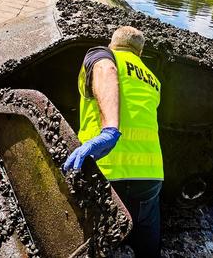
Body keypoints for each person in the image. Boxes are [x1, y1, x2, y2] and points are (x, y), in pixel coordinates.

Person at [63, 26, 163, 257]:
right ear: (140, 53)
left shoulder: (103, 56)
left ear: (112, 44)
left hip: (107, 169)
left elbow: (105, 70)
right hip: (150, 175)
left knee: (93, 239)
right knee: (147, 243)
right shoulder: (153, 80)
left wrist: (109, 131)